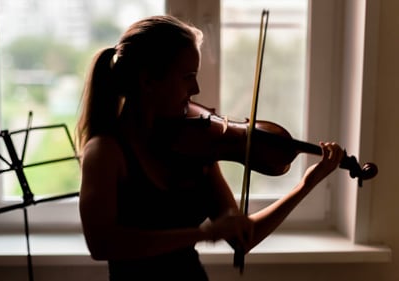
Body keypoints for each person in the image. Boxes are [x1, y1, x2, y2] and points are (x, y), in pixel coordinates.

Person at [76, 15, 344, 281]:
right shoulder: (105, 152)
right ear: (148, 81)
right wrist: (204, 233)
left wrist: (306, 185)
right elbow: (103, 245)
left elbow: (243, 239)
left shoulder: (194, 144)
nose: (196, 88)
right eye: (187, 77)